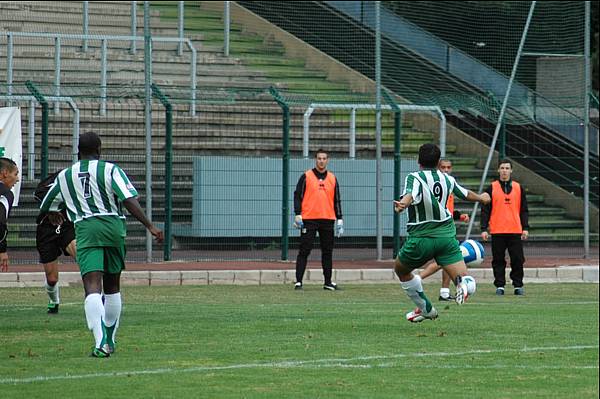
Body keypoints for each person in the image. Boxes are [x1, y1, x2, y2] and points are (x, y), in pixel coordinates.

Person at [40, 132, 163, 357]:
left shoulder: (66, 175)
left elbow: (47, 203)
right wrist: (150, 226)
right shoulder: (111, 170)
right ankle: (110, 340)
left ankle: (99, 343)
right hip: (113, 227)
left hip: (86, 229)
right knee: (113, 285)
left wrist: (53, 215)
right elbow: (128, 200)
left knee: (92, 285)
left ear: (78, 151)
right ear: (99, 150)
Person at [393, 144, 490, 323]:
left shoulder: (414, 177)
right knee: (461, 277)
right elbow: (465, 193)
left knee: (401, 269)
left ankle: (426, 308)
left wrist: (403, 204)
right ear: (438, 162)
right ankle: (466, 283)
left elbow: (409, 194)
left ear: (418, 161)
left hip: (421, 237)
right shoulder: (447, 179)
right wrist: (481, 197)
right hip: (446, 236)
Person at [417, 158, 471, 301]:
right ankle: (417, 279)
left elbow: (446, 209)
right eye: (443, 167)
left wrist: (459, 216)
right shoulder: (436, 185)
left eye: (448, 167)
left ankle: (445, 292)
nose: (446, 170)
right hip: (437, 230)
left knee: (446, 261)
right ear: (438, 168)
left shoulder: (449, 184)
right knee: (444, 261)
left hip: (447, 228)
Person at [293, 149, 343, 291]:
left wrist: (340, 219)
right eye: (319, 158)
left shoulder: (332, 178)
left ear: (328, 160)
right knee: (304, 249)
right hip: (309, 219)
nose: (321, 161)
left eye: (324, 158)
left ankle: (328, 282)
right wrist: (298, 214)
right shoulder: (306, 176)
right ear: (315, 160)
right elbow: (298, 195)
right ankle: (298, 281)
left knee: (327, 251)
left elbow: (337, 200)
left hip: (327, 219)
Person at [480, 159, 529, 296]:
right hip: (497, 230)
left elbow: (524, 209)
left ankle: (518, 285)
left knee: (518, 259)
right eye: (502, 168)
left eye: (507, 168)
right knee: (498, 260)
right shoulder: (491, 187)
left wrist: (525, 227)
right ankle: (500, 285)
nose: (504, 171)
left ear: (511, 170)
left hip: (515, 230)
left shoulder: (519, 188)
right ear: (498, 170)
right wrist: (484, 228)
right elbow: (485, 210)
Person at [34, 170, 77, 314]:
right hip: (46, 229)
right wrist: (52, 210)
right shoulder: (62, 176)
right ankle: (54, 300)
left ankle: (97, 296)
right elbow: (38, 192)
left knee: (83, 258)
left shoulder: (86, 180)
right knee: (52, 279)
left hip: (68, 225)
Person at [0, 158, 19, 272]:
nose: (17, 179)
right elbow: (0, 221)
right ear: (5, 173)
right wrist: (2, 249)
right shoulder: (5, 193)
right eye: (15, 174)